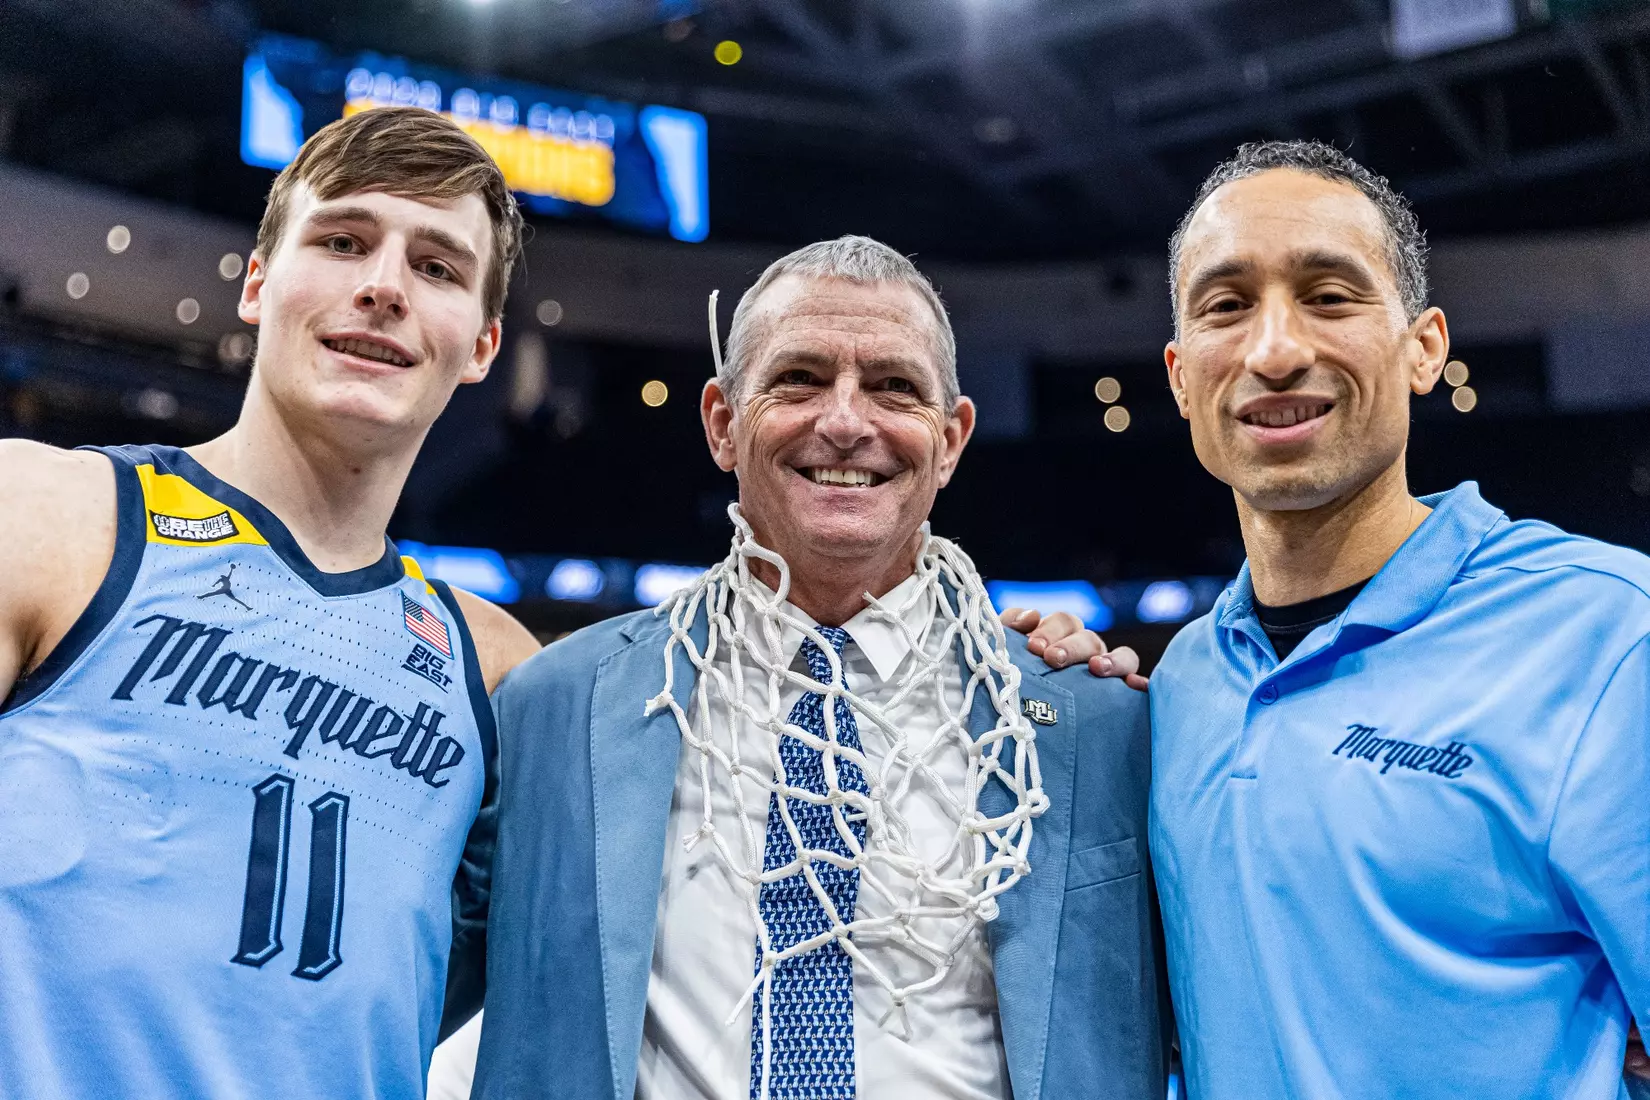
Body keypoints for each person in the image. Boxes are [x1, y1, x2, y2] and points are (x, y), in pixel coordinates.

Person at [468, 236, 1168, 1100]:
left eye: (894, 387)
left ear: (950, 442)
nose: (845, 422)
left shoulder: (1097, 722)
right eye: (798, 379)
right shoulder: (556, 706)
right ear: (723, 422)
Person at [0, 106, 541, 1100]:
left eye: (438, 267)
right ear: (258, 282)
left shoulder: (499, 666)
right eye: (342, 241)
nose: (381, 286)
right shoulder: (45, 516)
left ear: (481, 344)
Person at [1138, 140, 1649, 1097]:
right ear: (1178, 377)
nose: (1276, 350)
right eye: (1226, 304)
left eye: (1330, 296)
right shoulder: (1180, 688)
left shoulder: (1611, 639)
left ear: (1425, 349)